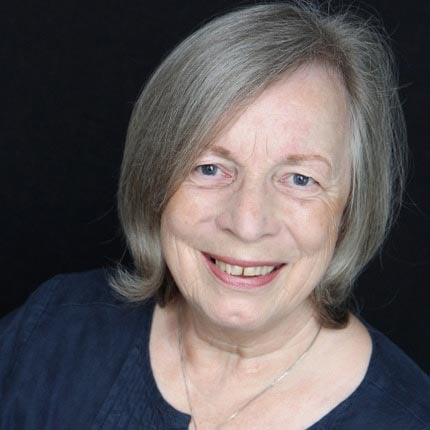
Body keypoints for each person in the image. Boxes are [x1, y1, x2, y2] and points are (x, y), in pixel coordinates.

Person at [1, 1, 430, 429]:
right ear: (155, 180)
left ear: (351, 206)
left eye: (300, 179)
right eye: (209, 169)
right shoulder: (52, 332)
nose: (247, 223)